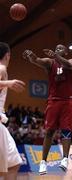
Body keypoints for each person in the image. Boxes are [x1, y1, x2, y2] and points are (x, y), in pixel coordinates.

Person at [23, 44, 72, 175]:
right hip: (54, 101)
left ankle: (65, 159)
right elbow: (37, 60)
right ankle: (43, 162)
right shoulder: (50, 62)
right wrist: (31, 55)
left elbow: (71, 66)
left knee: (66, 130)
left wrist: (57, 56)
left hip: (68, 100)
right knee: (49, 132)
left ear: (66, 52)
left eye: (60, 49)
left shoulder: (70, 61)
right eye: (56, 48)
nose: (57, 50)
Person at [0, 42, 25, 180]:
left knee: (14, 164)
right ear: (8, 55)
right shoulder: (1, 68)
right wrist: (8, 83)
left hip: (1, 124)